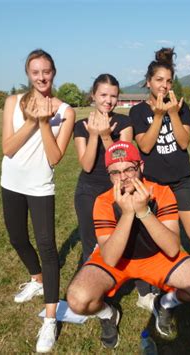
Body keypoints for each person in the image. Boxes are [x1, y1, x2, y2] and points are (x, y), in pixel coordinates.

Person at [66, 141, 190, 349]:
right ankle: (109, 314)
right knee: (77, 300)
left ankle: (163, 304)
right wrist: (128, 213)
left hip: (156, 257)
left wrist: (144, 211)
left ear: (141, 167)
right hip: (117, 259)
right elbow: (110, 257)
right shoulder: (103, 201)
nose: (123, 177)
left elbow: (173, 248)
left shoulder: (161, 192)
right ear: (109, 175)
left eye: (129, 168)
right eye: (115, 172)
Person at [0, 49, 75, 353]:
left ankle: (49, 319)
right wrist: (32, 120)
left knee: (46, 247)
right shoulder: (12, 103)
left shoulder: (66, 110)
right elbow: (8, 148)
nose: (42, 77)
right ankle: (37, 279)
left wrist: (45, 122)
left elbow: (55, 157)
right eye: (35, 72)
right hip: (11, 183)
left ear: (53, 72)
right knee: (17, 238)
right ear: (28, 74)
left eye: (46, 71)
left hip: (41, 187)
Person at [129, 47, 190, 302]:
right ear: (148, 82)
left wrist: (173, 113)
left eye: (168, 81)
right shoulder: (138, 112)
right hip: (154, 184)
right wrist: (158, 117)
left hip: (181, 180)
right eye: (159, 80)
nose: (164, 86)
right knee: (165, 238)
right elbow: (144, 146)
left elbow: (184, 142)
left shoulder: (181, 108)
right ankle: (164, 286)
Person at [73, 73, 132, 264]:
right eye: (103, 95)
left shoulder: (124, 124)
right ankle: (90, 288)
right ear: (93, 95)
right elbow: (87, 165)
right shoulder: (81, 126)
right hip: (88, 190)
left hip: (117, 189)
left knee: (119, 241)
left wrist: (107, 137)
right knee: (91, 244)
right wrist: (94, 135)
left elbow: (123, 165)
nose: (109, 101)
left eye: (113, 96)